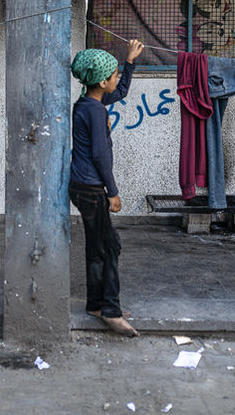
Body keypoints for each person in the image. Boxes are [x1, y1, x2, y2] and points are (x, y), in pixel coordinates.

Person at [68, 39, 143, 337]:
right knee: (109, 246)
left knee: (99, 246)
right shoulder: (95, 112)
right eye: (112, 75)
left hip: (83, 186)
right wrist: (112, 192)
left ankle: (96, 305)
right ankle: (109, 310)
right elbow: (100, 155)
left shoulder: (89, 103)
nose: (116, 80)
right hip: (91, 188)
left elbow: (121, 90)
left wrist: (129, 62)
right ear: (101, 81)